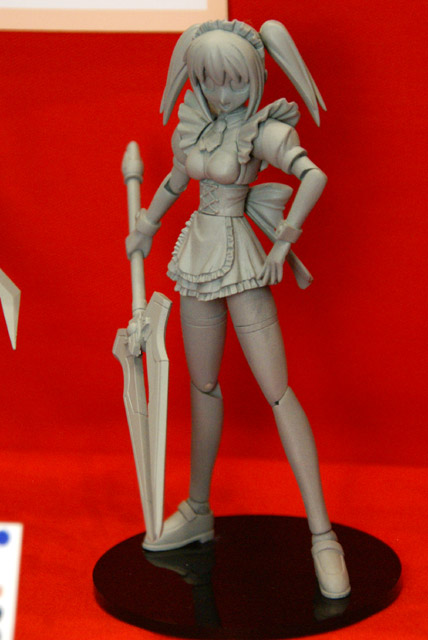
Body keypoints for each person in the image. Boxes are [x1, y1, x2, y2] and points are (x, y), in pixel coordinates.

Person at [126, 19, 350, 599]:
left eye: (233, 82)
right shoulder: (196, 127)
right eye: (209, 81)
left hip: (244, 262)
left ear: (254, 78)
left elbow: (313, 174)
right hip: (198, 259)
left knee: (278, 392)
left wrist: (283, 241)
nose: (222, 94)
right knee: (203, 386)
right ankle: (199, 509)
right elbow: (176, 181)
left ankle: (323, 535)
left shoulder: (262, 129)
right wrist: (146, 225)